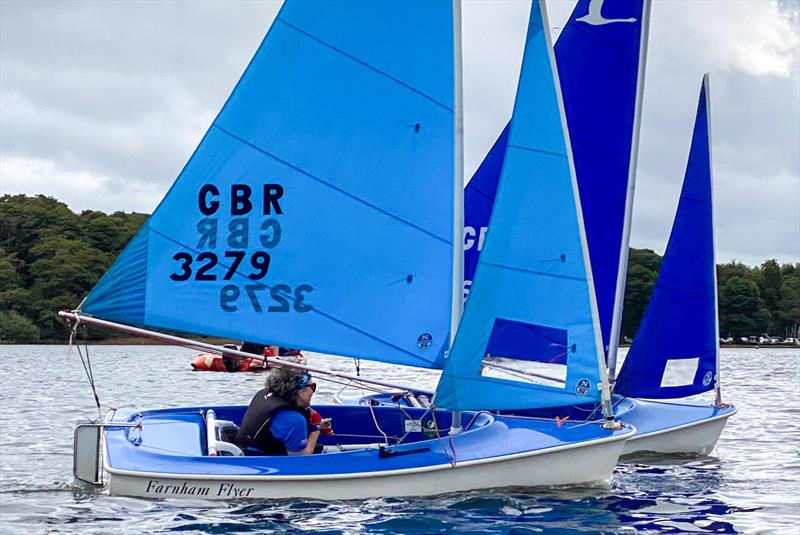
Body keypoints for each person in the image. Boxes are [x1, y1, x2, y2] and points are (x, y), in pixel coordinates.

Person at [235, 368, 330, 456]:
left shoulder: (264, 394)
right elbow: (300, 458)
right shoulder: (295, 420)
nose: (313, 391)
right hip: (269, 462)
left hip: (245, 449)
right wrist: (315, 429)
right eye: (313, 387)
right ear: (300, 391)